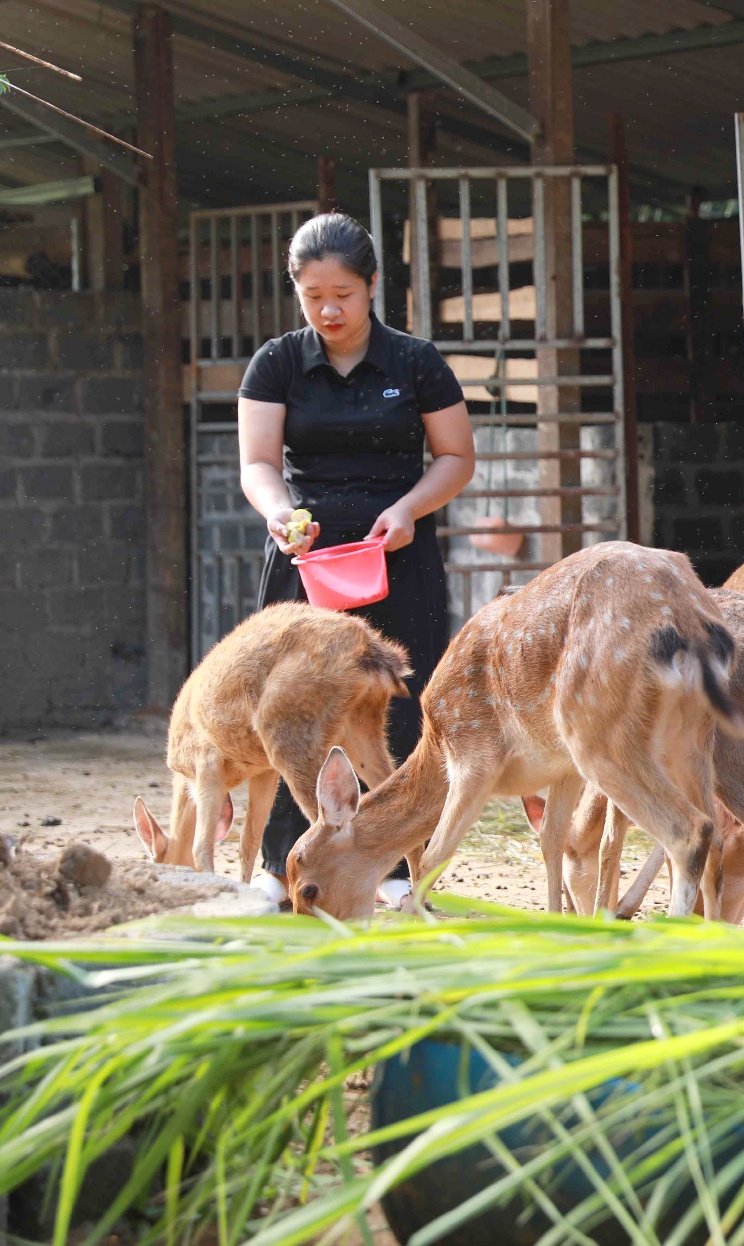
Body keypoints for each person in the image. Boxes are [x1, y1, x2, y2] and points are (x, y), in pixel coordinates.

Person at [236, 212, 474, 908]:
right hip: (306, 558)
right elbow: (256, 462)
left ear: (373, 286)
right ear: (298, 293)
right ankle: (281, 865)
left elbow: (456, 457)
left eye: (343, 292)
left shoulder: (416, 362)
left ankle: (398, 867)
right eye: (313, 295)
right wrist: (278, 513)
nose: (329, 309)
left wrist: (408, 509)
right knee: (293, 712)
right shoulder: (277, 362)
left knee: (398, 707)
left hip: (396, 551)